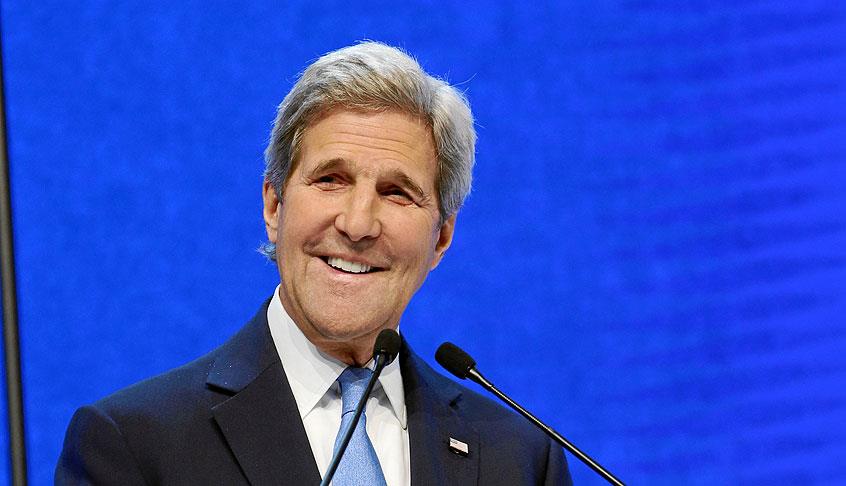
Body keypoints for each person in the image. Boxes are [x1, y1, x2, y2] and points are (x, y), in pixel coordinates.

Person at [56, 41, 572, 485]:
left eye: (397, 192)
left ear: (442, 237)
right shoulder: (135, 446)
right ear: (274, 206)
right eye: (331, 180)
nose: (358, 223)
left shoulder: (520, 459)